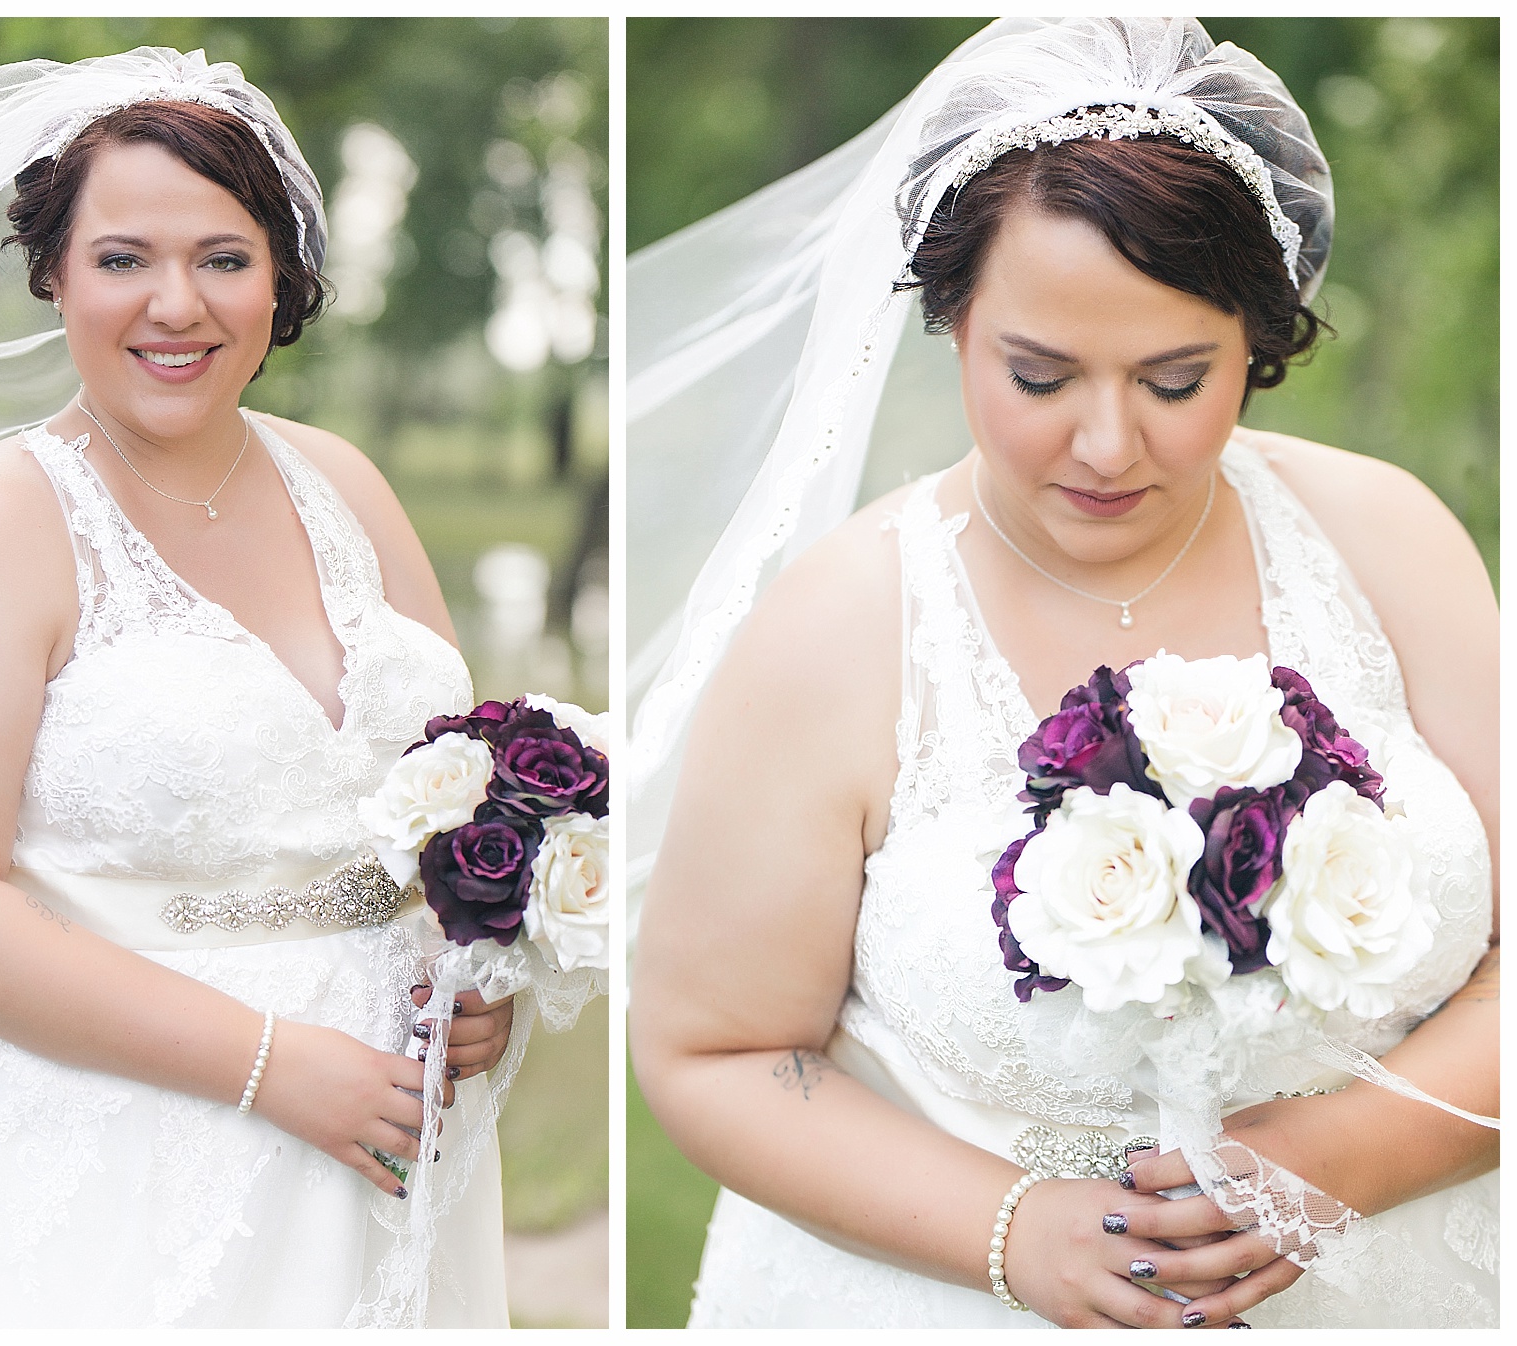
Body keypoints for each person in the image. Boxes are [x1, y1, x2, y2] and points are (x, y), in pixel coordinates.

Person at [628, 17, 1496, 1329]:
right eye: (1040, 374)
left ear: (1257, 338)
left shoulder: (1389, 539)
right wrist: (1008, 1231)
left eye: (1175, 377)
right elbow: (715, 1050)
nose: (1106, 443)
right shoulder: (841, 629)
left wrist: (1340, 1161)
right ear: (955, 323)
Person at [0, 48, 582, 1328]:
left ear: (280, 280)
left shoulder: (343, 482)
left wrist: (484, 986)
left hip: (386, 1133)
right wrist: (271, 1066)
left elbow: (449, 793)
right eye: (123, 258)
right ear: (56, 275)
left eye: (223, 258)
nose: (174, 304)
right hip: (107, 1143)